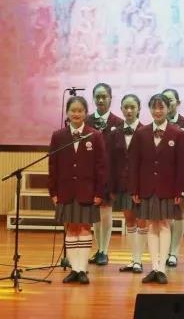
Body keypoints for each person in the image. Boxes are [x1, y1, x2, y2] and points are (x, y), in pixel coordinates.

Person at [130, 93, 184, 285]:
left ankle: (162, 268)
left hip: (168, 188)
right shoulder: (141, 133)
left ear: (168, 109)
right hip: (146, 187)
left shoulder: (178, 133)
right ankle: (154, 267)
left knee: (163, 225)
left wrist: (179, 191)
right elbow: (134, 164)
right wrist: (135, 189)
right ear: (149, 109)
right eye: (154, 107)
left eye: (161, 107)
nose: (157, 111)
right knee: (150, 225)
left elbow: (182, 166)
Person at [49, 96, 107, 285]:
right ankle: (74, 269)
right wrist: (53, 192)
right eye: (73, 110)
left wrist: (99, 193)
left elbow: (101, 167)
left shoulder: (95, 135)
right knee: (72, 228)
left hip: (87, 191)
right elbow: (53, 166)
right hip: (65, 190)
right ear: (67, 113)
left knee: (84, 227)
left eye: (80, 110)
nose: (76, 114)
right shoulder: (58, 136)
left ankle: (82, 269)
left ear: (86, 113)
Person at [85, 82, 124, 267]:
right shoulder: (86, 121)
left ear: (110, 98)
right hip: (90, 176)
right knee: (95, 214)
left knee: (106, 213)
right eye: (97, 97)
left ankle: (104, 251)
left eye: (104, 96)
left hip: (109, 175)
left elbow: (120, 155)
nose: (100, 100)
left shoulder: (119, 123)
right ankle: (98, 249)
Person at [113, 94, 147, 274]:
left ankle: (139, 260)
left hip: (141, 185)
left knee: (142, 222)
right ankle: (133, 259)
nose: (129, 110)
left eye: (132, 107)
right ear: (121, 109)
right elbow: (111, 161)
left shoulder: (146, 131)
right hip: (123, 184)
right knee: (129, 221)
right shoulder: (115, 132)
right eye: (126, 107)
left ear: (139, 108)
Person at [161, 87, 184, 268]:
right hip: (163, 176)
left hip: (181, 175)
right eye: (164, 100)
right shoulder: (156, 124)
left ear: (178, 102)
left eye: (171, 100)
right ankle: (164, 251)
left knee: (179, 214)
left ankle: (174, 252)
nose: (167, 103)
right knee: (164, 215)